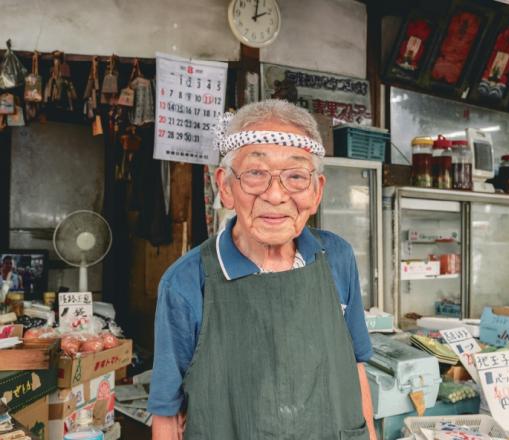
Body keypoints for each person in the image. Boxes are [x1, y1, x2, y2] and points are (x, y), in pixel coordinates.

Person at [148, 100, 376, 440]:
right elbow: (166, 415)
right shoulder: (186, 282)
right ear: (225, 186)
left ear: (316, 192)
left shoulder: (337, 257)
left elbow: (356, 367)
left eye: (296, 176)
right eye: (255, 174)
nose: (275, 195)